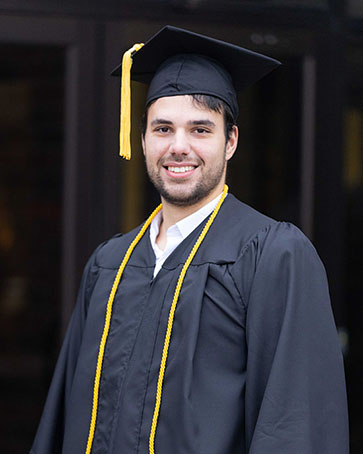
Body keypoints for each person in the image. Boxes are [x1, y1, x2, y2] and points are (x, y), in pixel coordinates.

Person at [30, 26, 349, 454]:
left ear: (230, 141)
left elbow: (295, 425)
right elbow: (65, 417)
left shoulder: (274, 256)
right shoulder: (110, 264)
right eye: (163, 129)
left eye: (200, 130)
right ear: (142, 138)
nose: (179, 146)